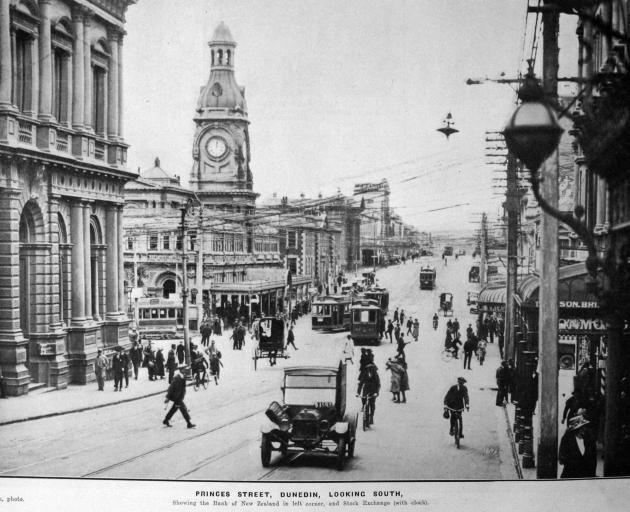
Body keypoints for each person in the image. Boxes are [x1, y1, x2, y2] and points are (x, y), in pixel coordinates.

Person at [558, 411, 597, 478]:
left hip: (587, 477)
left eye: (585, 426)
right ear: (575, 429)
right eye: (581, 427)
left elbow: (593, 461)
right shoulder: (566, 439)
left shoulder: (590, 440)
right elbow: (562, 458)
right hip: (570, 476)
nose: (584, 429)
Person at [163, 364, 195, 429]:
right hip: (177, 397)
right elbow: (171, 388)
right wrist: (168, 397)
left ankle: (166, 420)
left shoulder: (183, 376)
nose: (185, 370)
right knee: (183, 409)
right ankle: (189, 423)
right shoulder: (177, 378)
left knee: (174, 409)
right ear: (181, 370)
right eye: (184, 369)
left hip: (179, 396)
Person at [357, 360, 381, 427]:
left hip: (373, 391)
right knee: (364, 400)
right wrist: (358, 392)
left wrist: (377, 392)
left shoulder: (376, 375)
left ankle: (371, 416)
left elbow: (378, 384)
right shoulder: (364, 374)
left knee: (372, 404)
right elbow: (361, 383)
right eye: (368, 369)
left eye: (370, 369)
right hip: (366, 390)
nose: (369, 370)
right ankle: (365, 415)